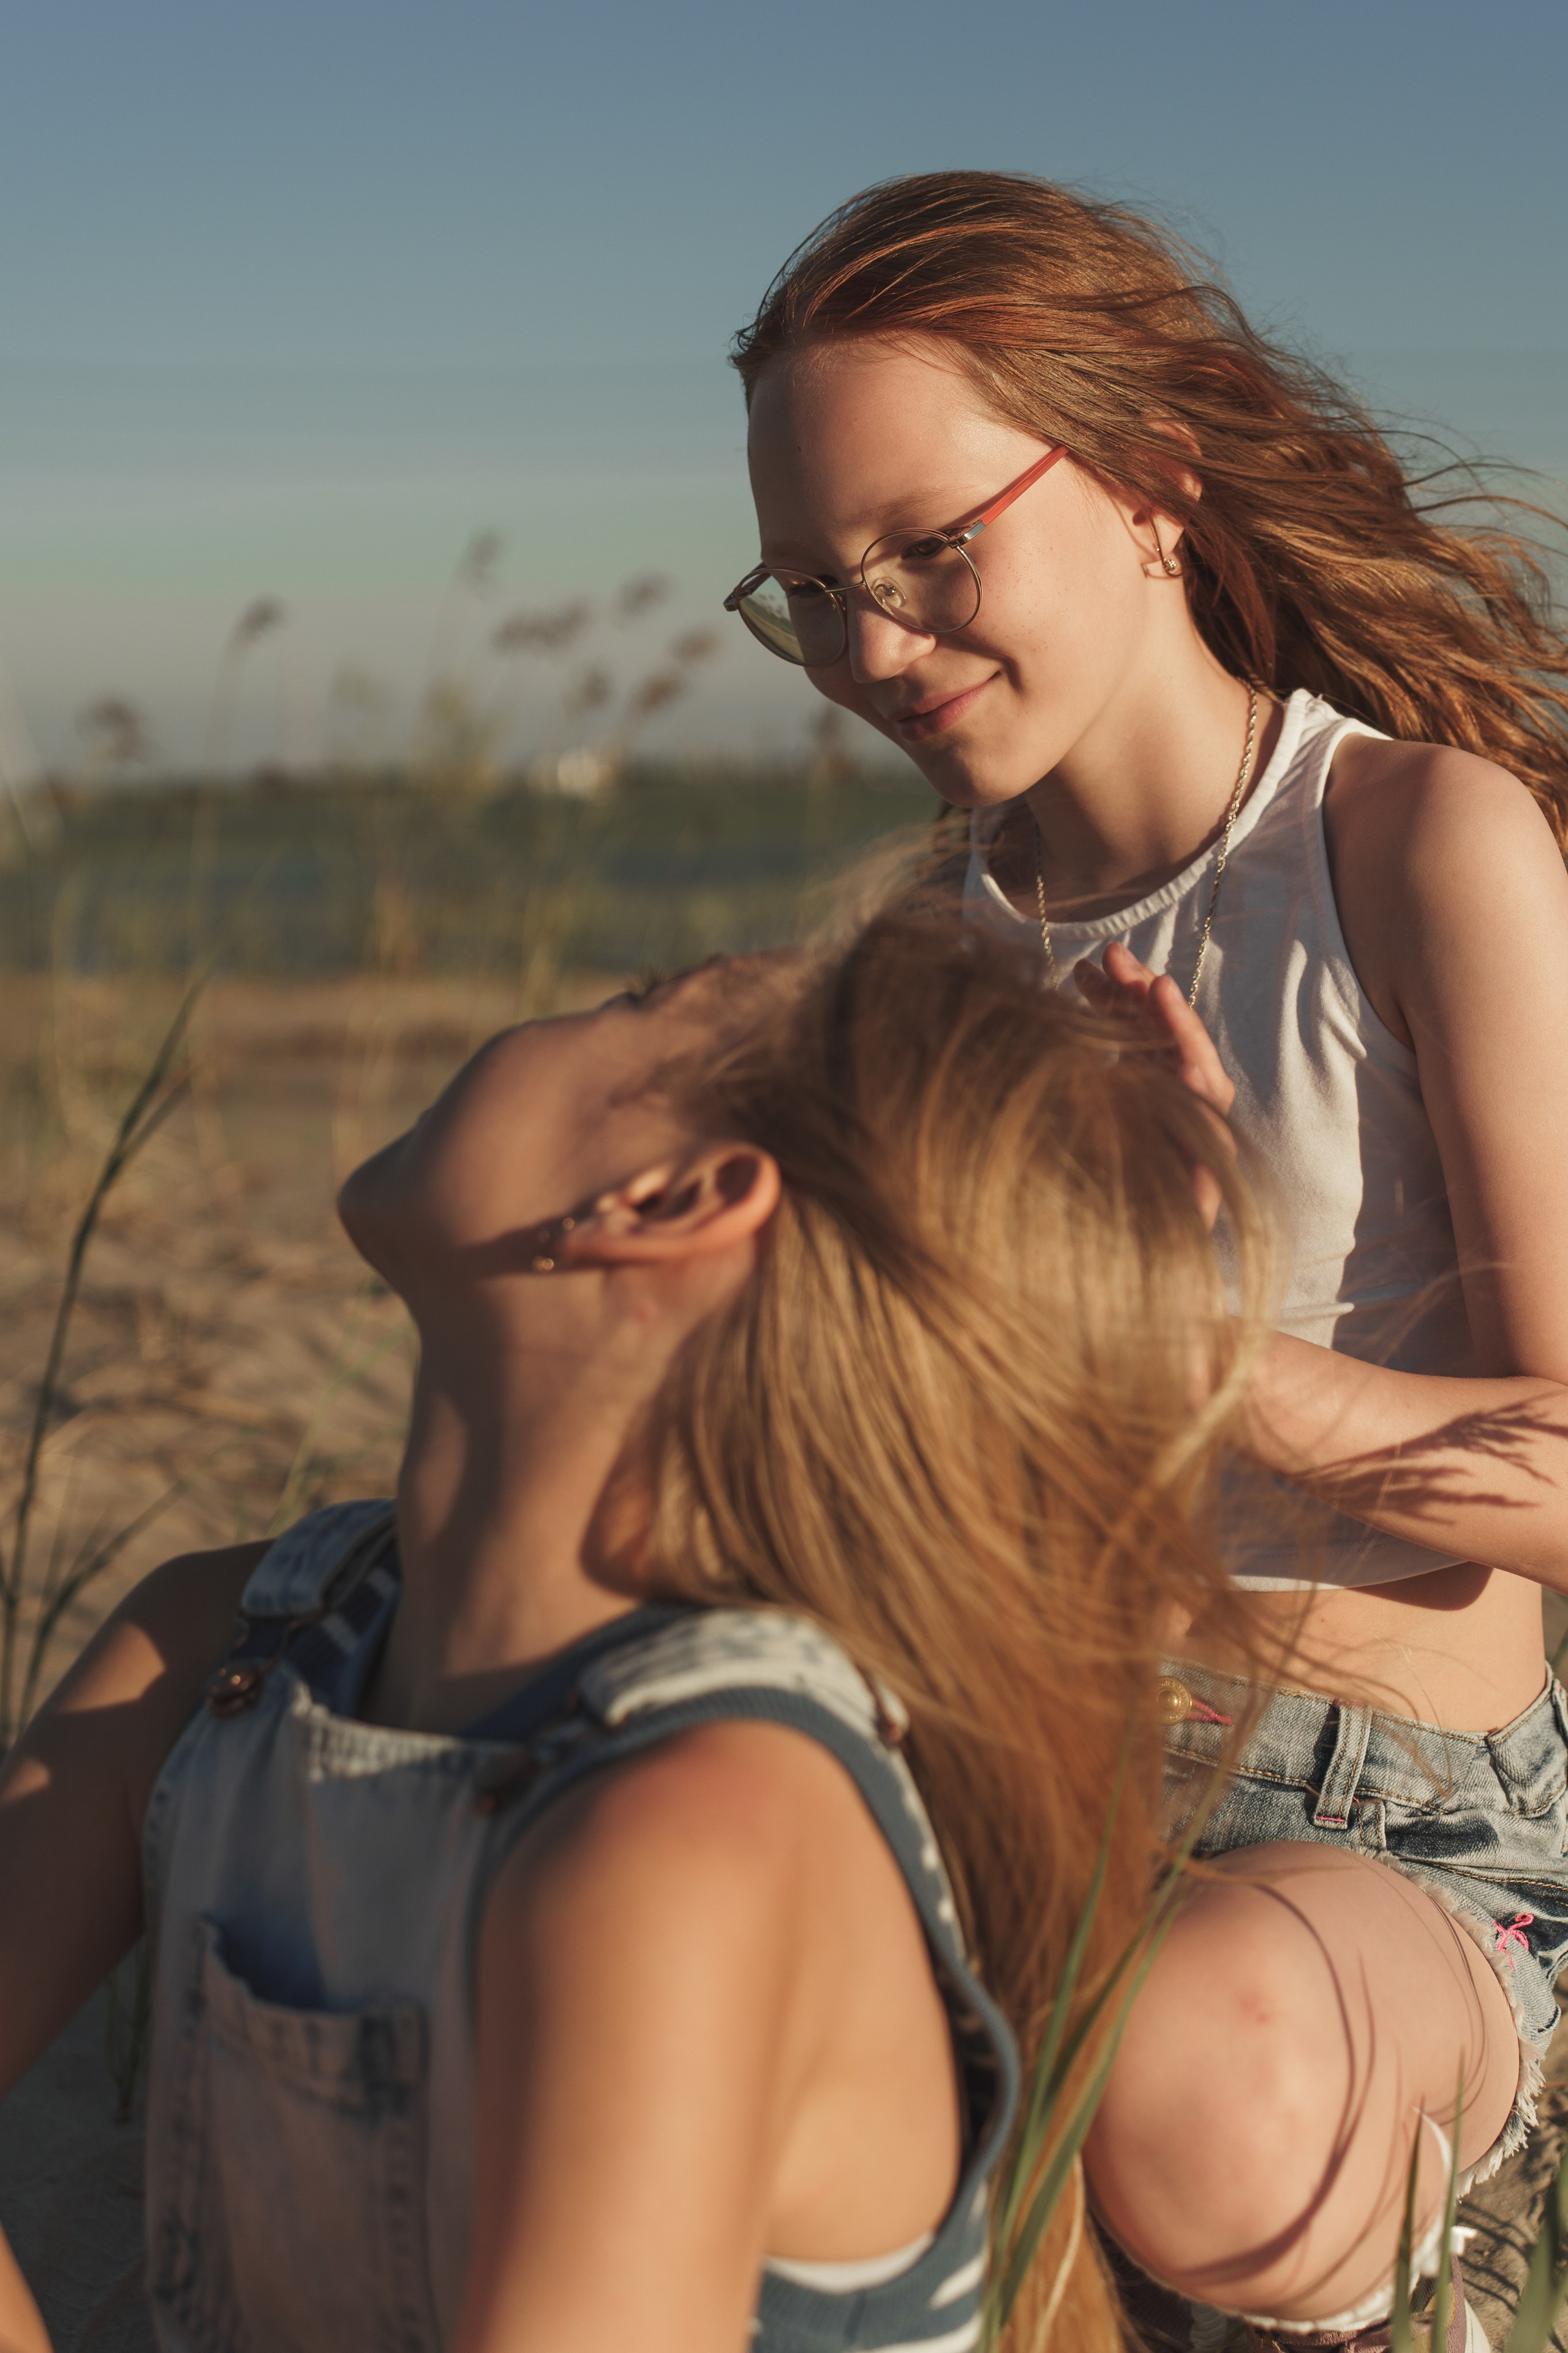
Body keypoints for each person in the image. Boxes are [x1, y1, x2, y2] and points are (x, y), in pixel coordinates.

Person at [723, 170, 1568, 2349]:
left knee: (1186, 2078)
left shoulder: (1406, 844)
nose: (874, 650)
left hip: (1384, 1839)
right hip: (1006, 1777)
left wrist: (1216, 1361)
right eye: (812, 591)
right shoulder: (917, 953)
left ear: (1150, 484)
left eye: (930, 550)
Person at [0, 913, 1257, 2353]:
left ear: (667, 1199)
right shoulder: (225, 1648)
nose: (575, 1002)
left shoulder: (695, 1837)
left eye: (637, 998)